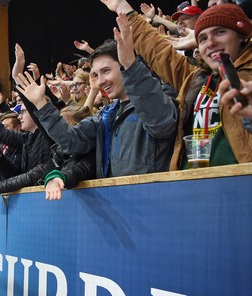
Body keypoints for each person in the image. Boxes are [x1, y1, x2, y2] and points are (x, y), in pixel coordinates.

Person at [100, 1, 252, 168]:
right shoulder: (195, 78)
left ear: (243, 35)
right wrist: (123, 7)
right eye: (202, 39)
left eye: (220, 32)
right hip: (193, 182)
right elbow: (159, 51)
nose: (210, 43)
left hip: (240, 185)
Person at [16, 23, 178, 178]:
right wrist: (41, 104)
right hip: (115, 202)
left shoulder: (160, 98)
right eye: (96, 74)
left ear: (125, 65)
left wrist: (132, 66)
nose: (100, 81)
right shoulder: (106, 114)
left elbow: (160, 126)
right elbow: (71, 141)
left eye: (106, 71)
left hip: (152, 200)